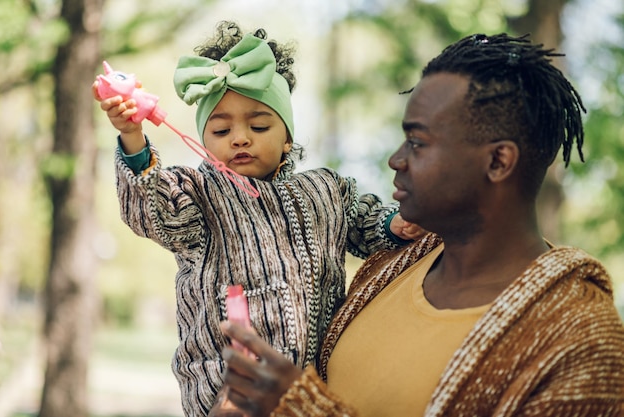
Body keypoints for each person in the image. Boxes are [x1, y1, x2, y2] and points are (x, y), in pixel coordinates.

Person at [219, 33, 624, 417]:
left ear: (498, 161)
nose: (396, 160)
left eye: (417, 142)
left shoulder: (583, 342)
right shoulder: (388, 267)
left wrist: (299, 408)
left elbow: (306, 403)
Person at [92, 21, 421, 416]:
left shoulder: (326, 191)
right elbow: (155, 213)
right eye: (220, 128)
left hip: (314, 388)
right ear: (204, 139)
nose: (240, 137)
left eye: (259, 125)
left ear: (287, 138)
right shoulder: (199, 194)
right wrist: (133, 139)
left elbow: (365, 222)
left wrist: (393, 225)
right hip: (230, 389)